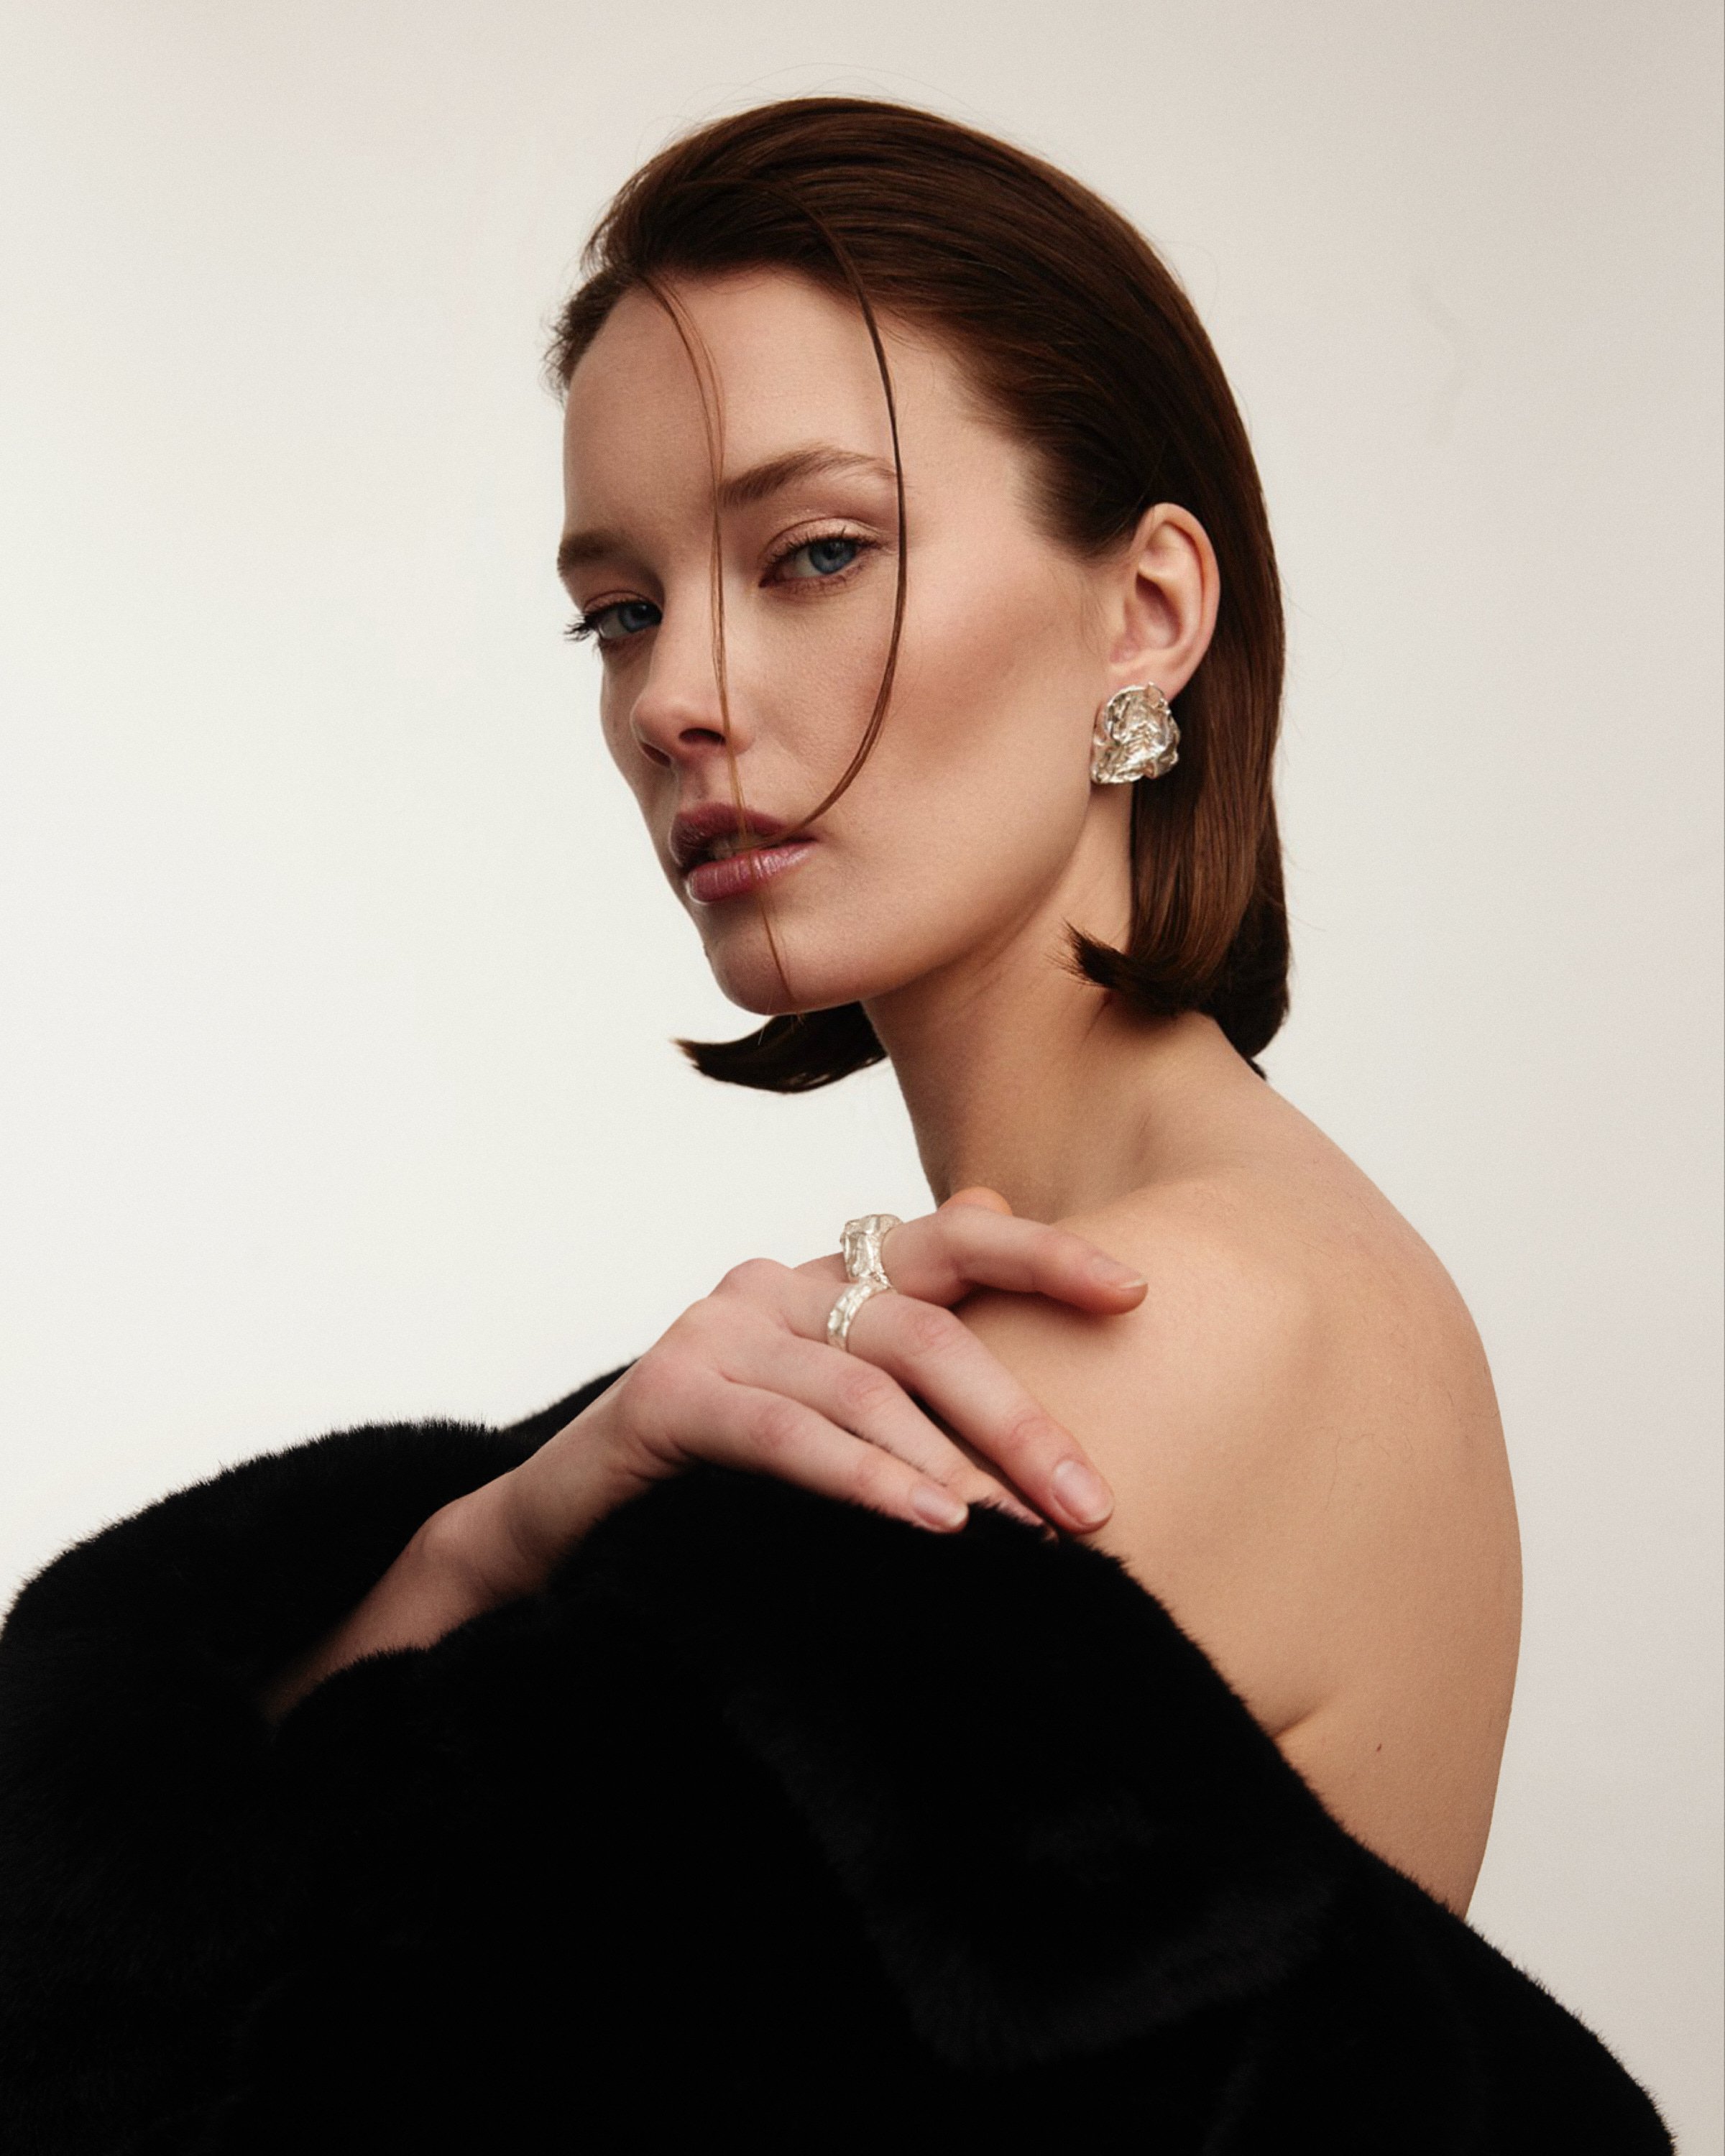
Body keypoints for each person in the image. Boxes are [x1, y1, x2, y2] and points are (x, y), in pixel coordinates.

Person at [0, 98, 1670, 2152]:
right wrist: (502, 1527)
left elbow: (271, 2079)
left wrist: (477, 1559)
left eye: (814, 554)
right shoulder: (1168, 1275)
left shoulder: (1153, 1330)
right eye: (619, 608)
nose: (673, 697)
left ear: (1146, 614)